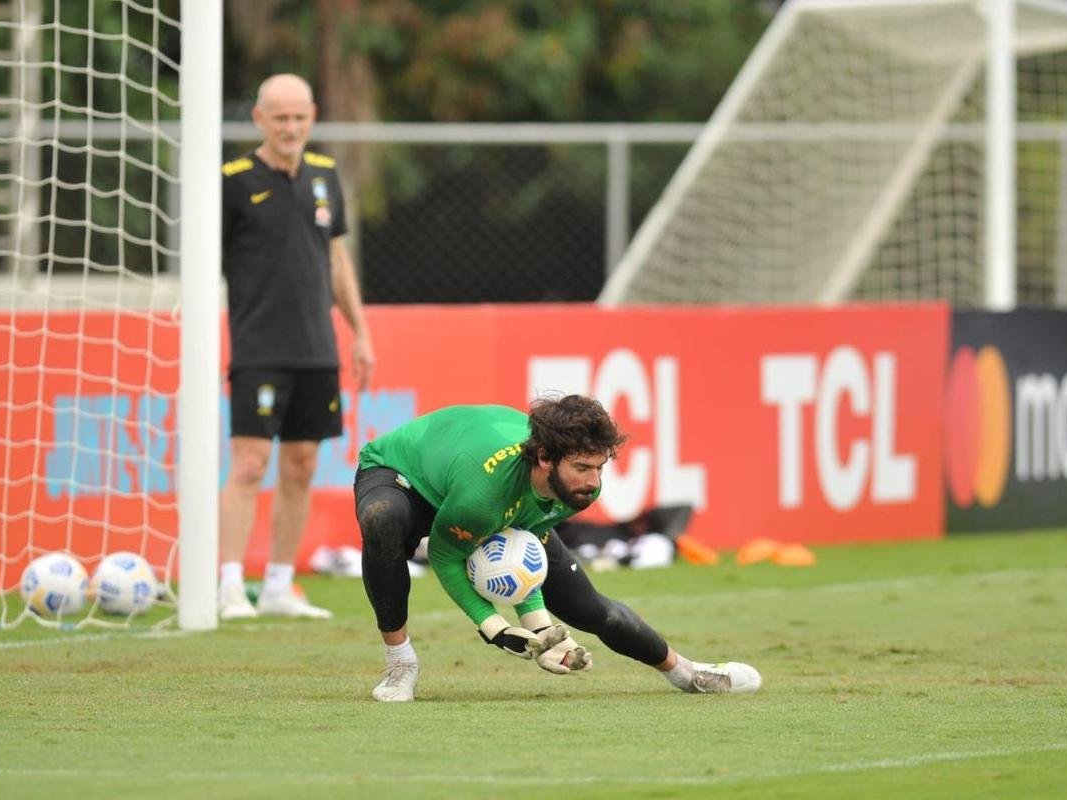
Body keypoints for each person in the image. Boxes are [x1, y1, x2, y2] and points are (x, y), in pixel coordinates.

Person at [353, 394, 761, 702]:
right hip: (401, 472)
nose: (592, 480)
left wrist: (543, 632)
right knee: (382, 521)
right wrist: (493, 627)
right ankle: (400, 664)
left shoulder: (576, 490)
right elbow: (444, 554)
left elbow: (521, 552)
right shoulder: (486, 494)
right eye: (582, 467)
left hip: (473, 488)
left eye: (599, 467)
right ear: (545, 458)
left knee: (590, 609)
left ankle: (686, 673)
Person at [218, 74, 376, 620]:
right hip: (259, 344)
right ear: (259, 119)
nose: (289, 127)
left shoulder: (326, 176)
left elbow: (336, 260)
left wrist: (361, 332)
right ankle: (230, 584)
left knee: (303, 464)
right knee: (249, 462)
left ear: (311, 116)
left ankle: (281, 584)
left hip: (317, 347)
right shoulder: (233, 180)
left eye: (298, 117)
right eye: (278, 117)